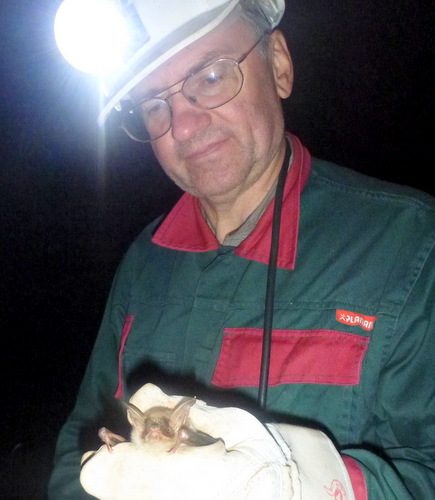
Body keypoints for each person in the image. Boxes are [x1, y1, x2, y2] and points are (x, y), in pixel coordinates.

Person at [49, 0, 435, 498]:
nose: (183, 126)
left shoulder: (410, 245)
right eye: (153, 105)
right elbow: (83, 436)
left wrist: (301, 486)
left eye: (209, 77)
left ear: (277, 64)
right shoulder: (143, 263)